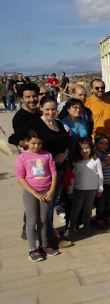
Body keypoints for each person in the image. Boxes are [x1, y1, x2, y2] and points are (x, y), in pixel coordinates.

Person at [11, 96, 70, 243]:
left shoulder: (58, 124)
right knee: (46, 206)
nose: (51, 112)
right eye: (47, 109)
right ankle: (48, 237)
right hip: (42, 174)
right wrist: (31, 152)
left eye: (54, 109)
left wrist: (66, 154)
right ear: (41, 109)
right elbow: (13, 138)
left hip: (59, 170)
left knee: (51, 204)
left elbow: (65, 143)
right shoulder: (35, 124)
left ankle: (46, 235)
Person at [15, 130, 60, 261]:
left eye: (39, 144)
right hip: (31, 193)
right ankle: (32, 248)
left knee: (43, 219)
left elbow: (53, 173)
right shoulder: (22, 157)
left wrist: (51, 191)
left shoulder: (47, 155)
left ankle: (43, 245)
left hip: (46, 191)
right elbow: (20, 178)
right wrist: (34, 193)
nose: (36, 146)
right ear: (27, 142)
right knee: (32, 220)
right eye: (33, 143)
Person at [67, 137, 103, 237]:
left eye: (87, 148)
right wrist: (70, 190)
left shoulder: (96, 161)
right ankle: (71, 227)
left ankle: (86, 226)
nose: (85, 150)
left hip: (92, 189)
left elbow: (100, 175)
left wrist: (100, 188)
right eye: (82, 149)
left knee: (88, 209)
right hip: (78, 190)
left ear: (91, 148)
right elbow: (72, 178)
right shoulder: (76, 162)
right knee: (76, 209)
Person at [84, 79, 110, 153]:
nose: (100, 90)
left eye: (102, 88)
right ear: (91, 89)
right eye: (97, 88)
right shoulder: (87, 102)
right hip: (95, 141)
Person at [95, 133, 110, 228]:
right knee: (101, 202)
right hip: (100, 183)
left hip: (109, 181)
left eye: (106, 144)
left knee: (109, 201)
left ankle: (108, 217)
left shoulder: (107, 154)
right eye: (101, 143)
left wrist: (109, 162)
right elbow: (96, 169)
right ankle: (100, 219)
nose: (104, 146)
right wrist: (105, 162)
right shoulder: (95, 155)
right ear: (96, 144)